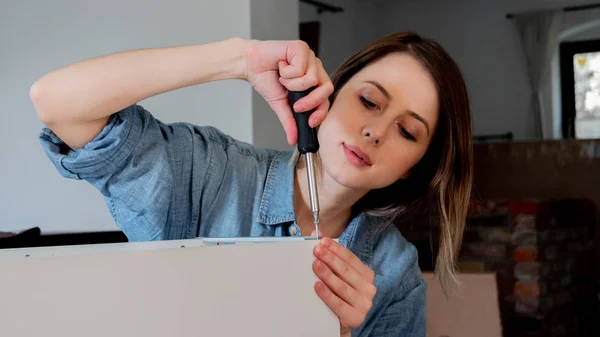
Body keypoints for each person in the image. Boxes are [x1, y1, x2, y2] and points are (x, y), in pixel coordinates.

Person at [30, 31, 473, 336]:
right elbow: (56, 102)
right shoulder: (212, 174)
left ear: (415, 166)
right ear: (332, 90)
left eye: (408, 131)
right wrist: (240, 58)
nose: (375, 131)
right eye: (369, 100)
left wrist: (335, 333)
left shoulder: (394, 275)